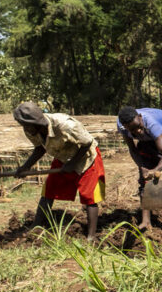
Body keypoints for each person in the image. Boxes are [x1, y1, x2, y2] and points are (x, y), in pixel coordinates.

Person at [13, 102, 105, 240]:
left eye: (26, 124)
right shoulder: (31, 130)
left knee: (89, 196)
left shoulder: (65, 125)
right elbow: (40, 148)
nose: (24, 128)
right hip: (63, 157)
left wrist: (73, 163)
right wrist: (25, 167)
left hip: (86, 158)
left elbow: (87, 142)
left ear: (36, 122)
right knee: (49, 190)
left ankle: (91, 236)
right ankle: (36, 226)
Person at [117, 106, 162, 237]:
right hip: (146, 142)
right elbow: (133, 149)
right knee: (145, 178)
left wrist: (157, 169)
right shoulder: (122, 126)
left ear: (140, 117)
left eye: (139, 126)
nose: (138, 131)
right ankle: (146, 221)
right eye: (133, 130)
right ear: (125, 127)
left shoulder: (151, 123)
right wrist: (142, 167)